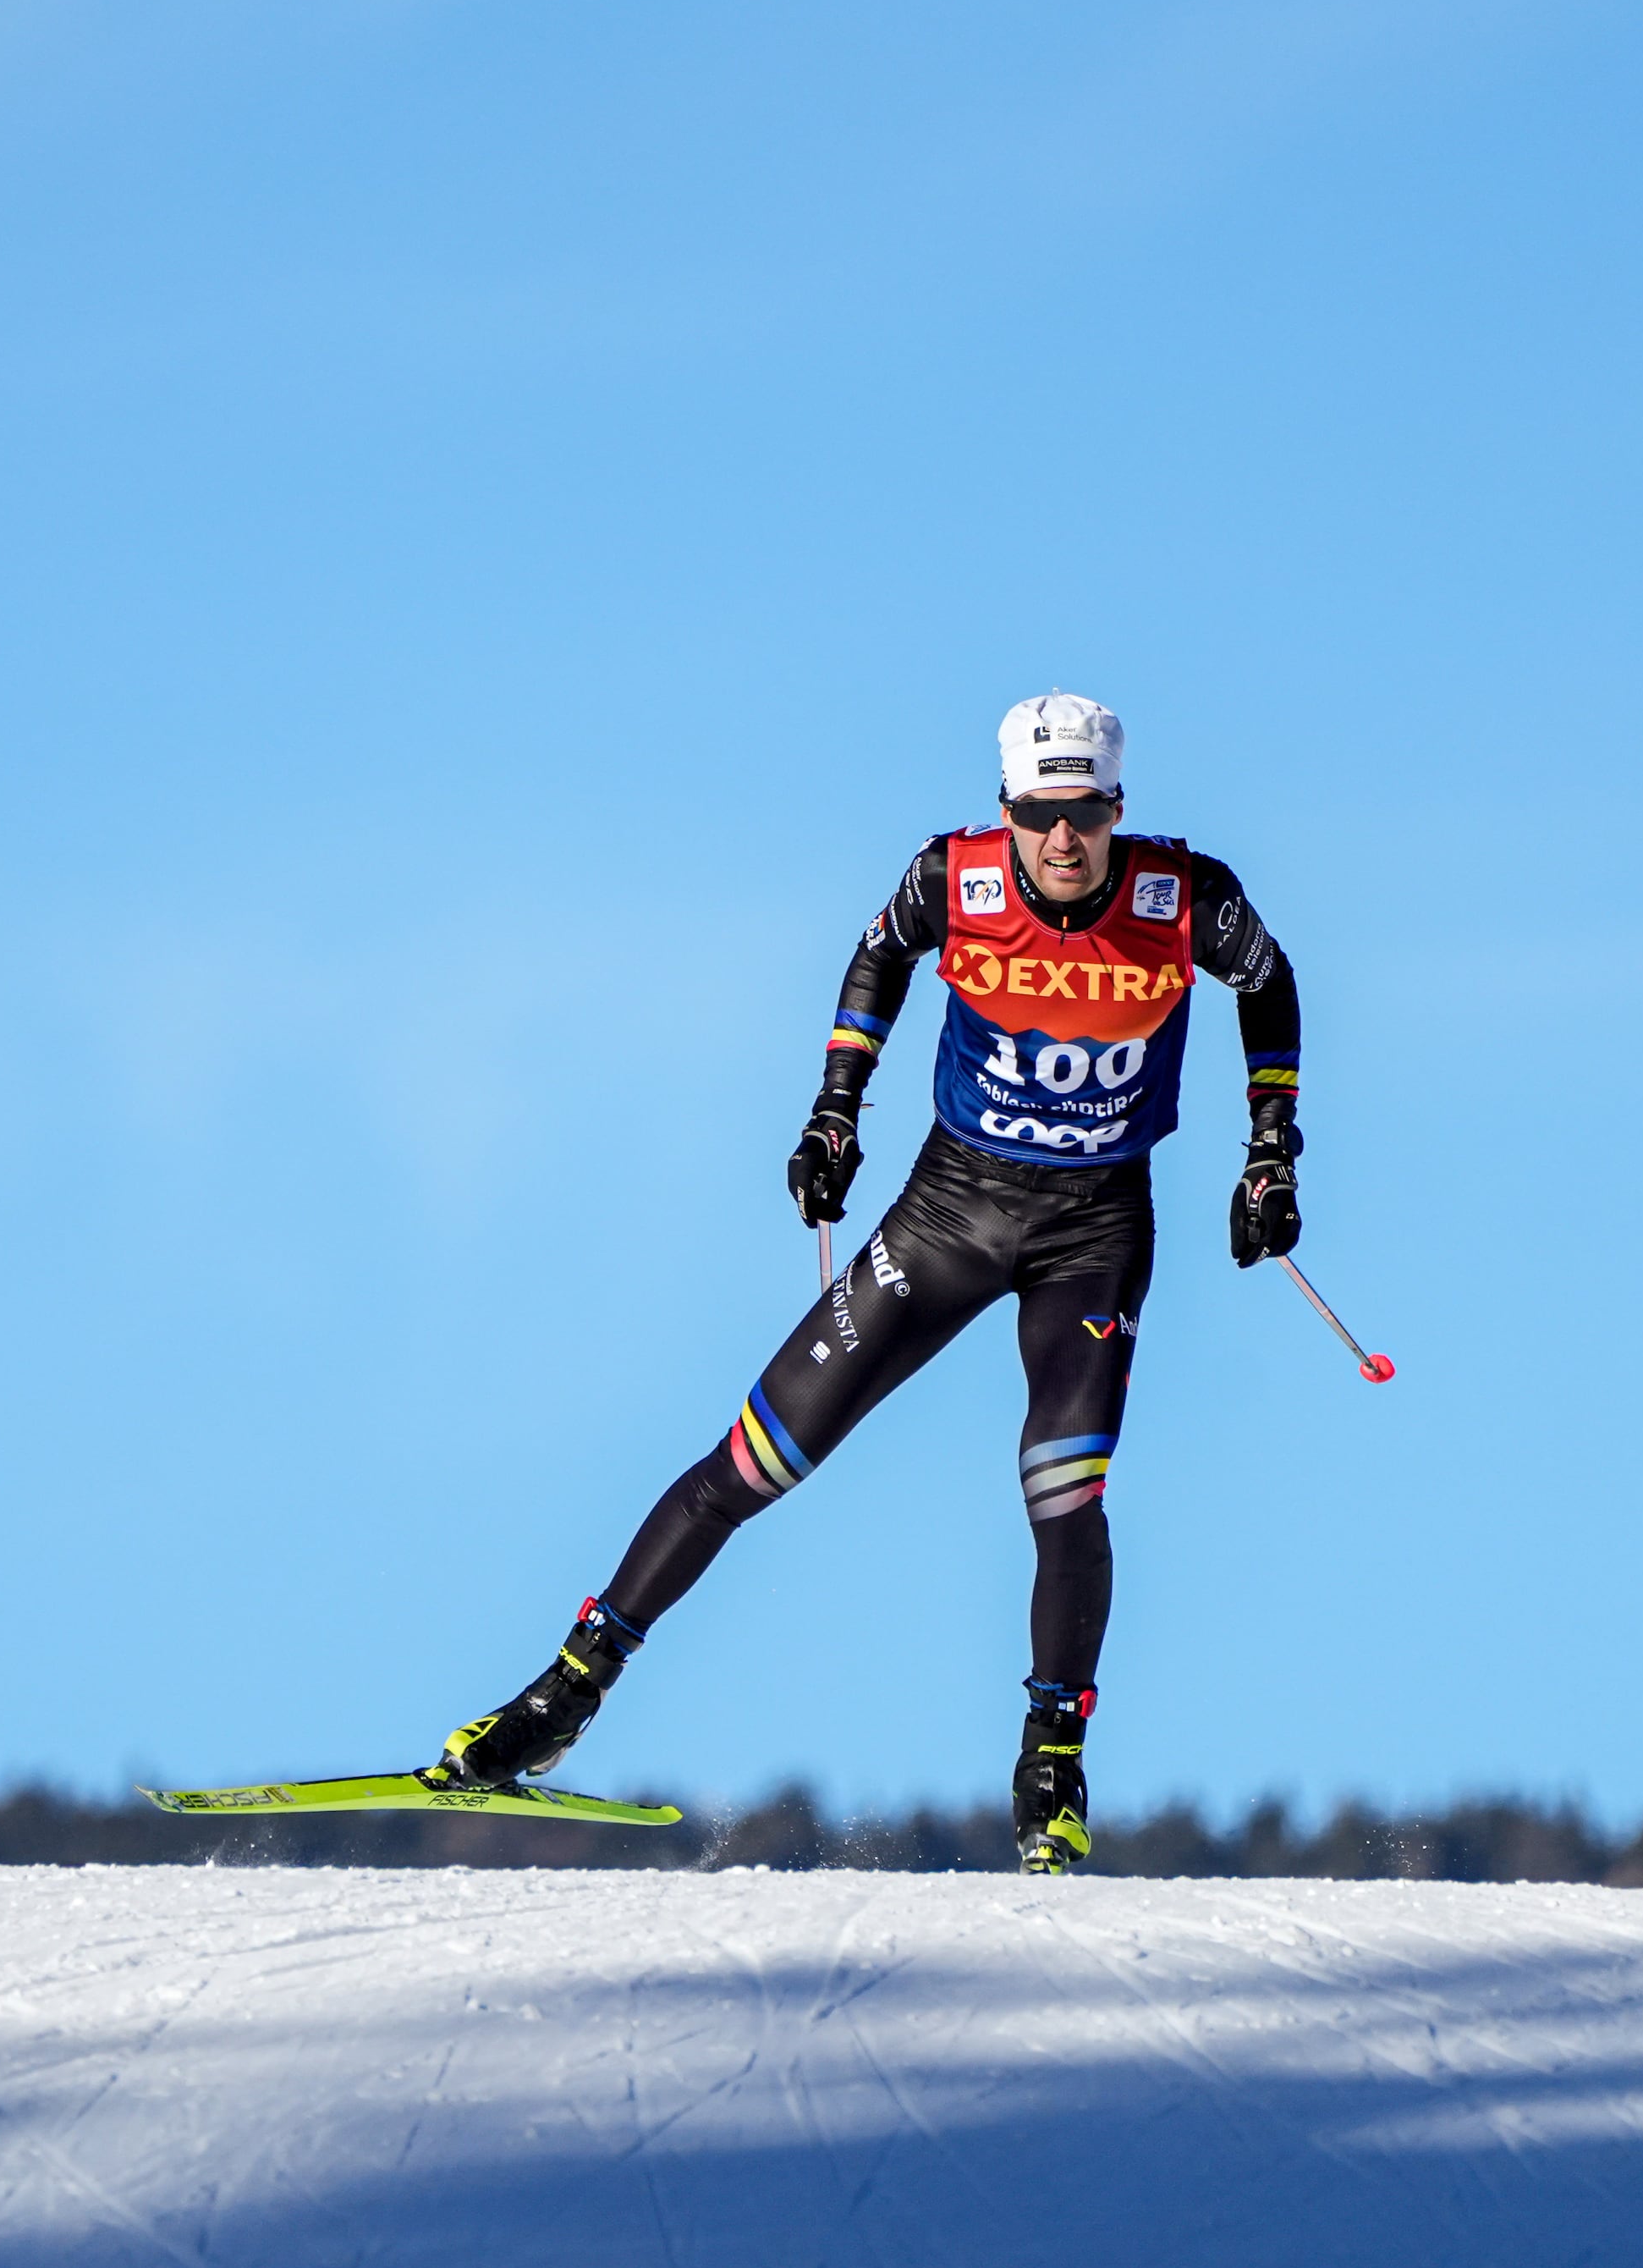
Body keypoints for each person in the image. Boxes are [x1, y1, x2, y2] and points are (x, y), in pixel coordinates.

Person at [431, 693, 1304, 1870]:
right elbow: (881, 951)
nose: (1062, 842)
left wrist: (1271, 1150)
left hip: (1094, 1230)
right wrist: (835, 1112)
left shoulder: (1181, 897)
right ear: (1006, 812)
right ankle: (567, 1688)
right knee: (754, 1458)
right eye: (1041, 816)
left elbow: (1270, 980)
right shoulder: (957, 881)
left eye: (1085, 815)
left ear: (1117, 809)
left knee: (1065, 1488)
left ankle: (1052, 1759)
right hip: (949, 1213)